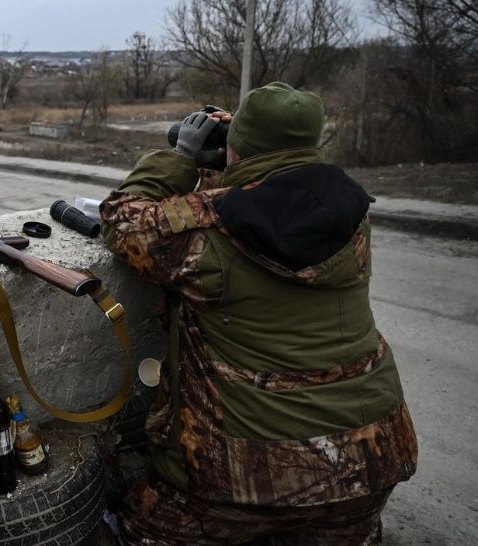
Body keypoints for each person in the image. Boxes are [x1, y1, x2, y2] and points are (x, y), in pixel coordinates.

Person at [99, 82, 417, 545]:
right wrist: (237, 159)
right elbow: (275, 199)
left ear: (241, 150)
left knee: (136, 526)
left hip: (245, 482)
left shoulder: (211, 230)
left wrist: (185, 157)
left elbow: (123, 221)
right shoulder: (351, 213)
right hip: (369, 464)